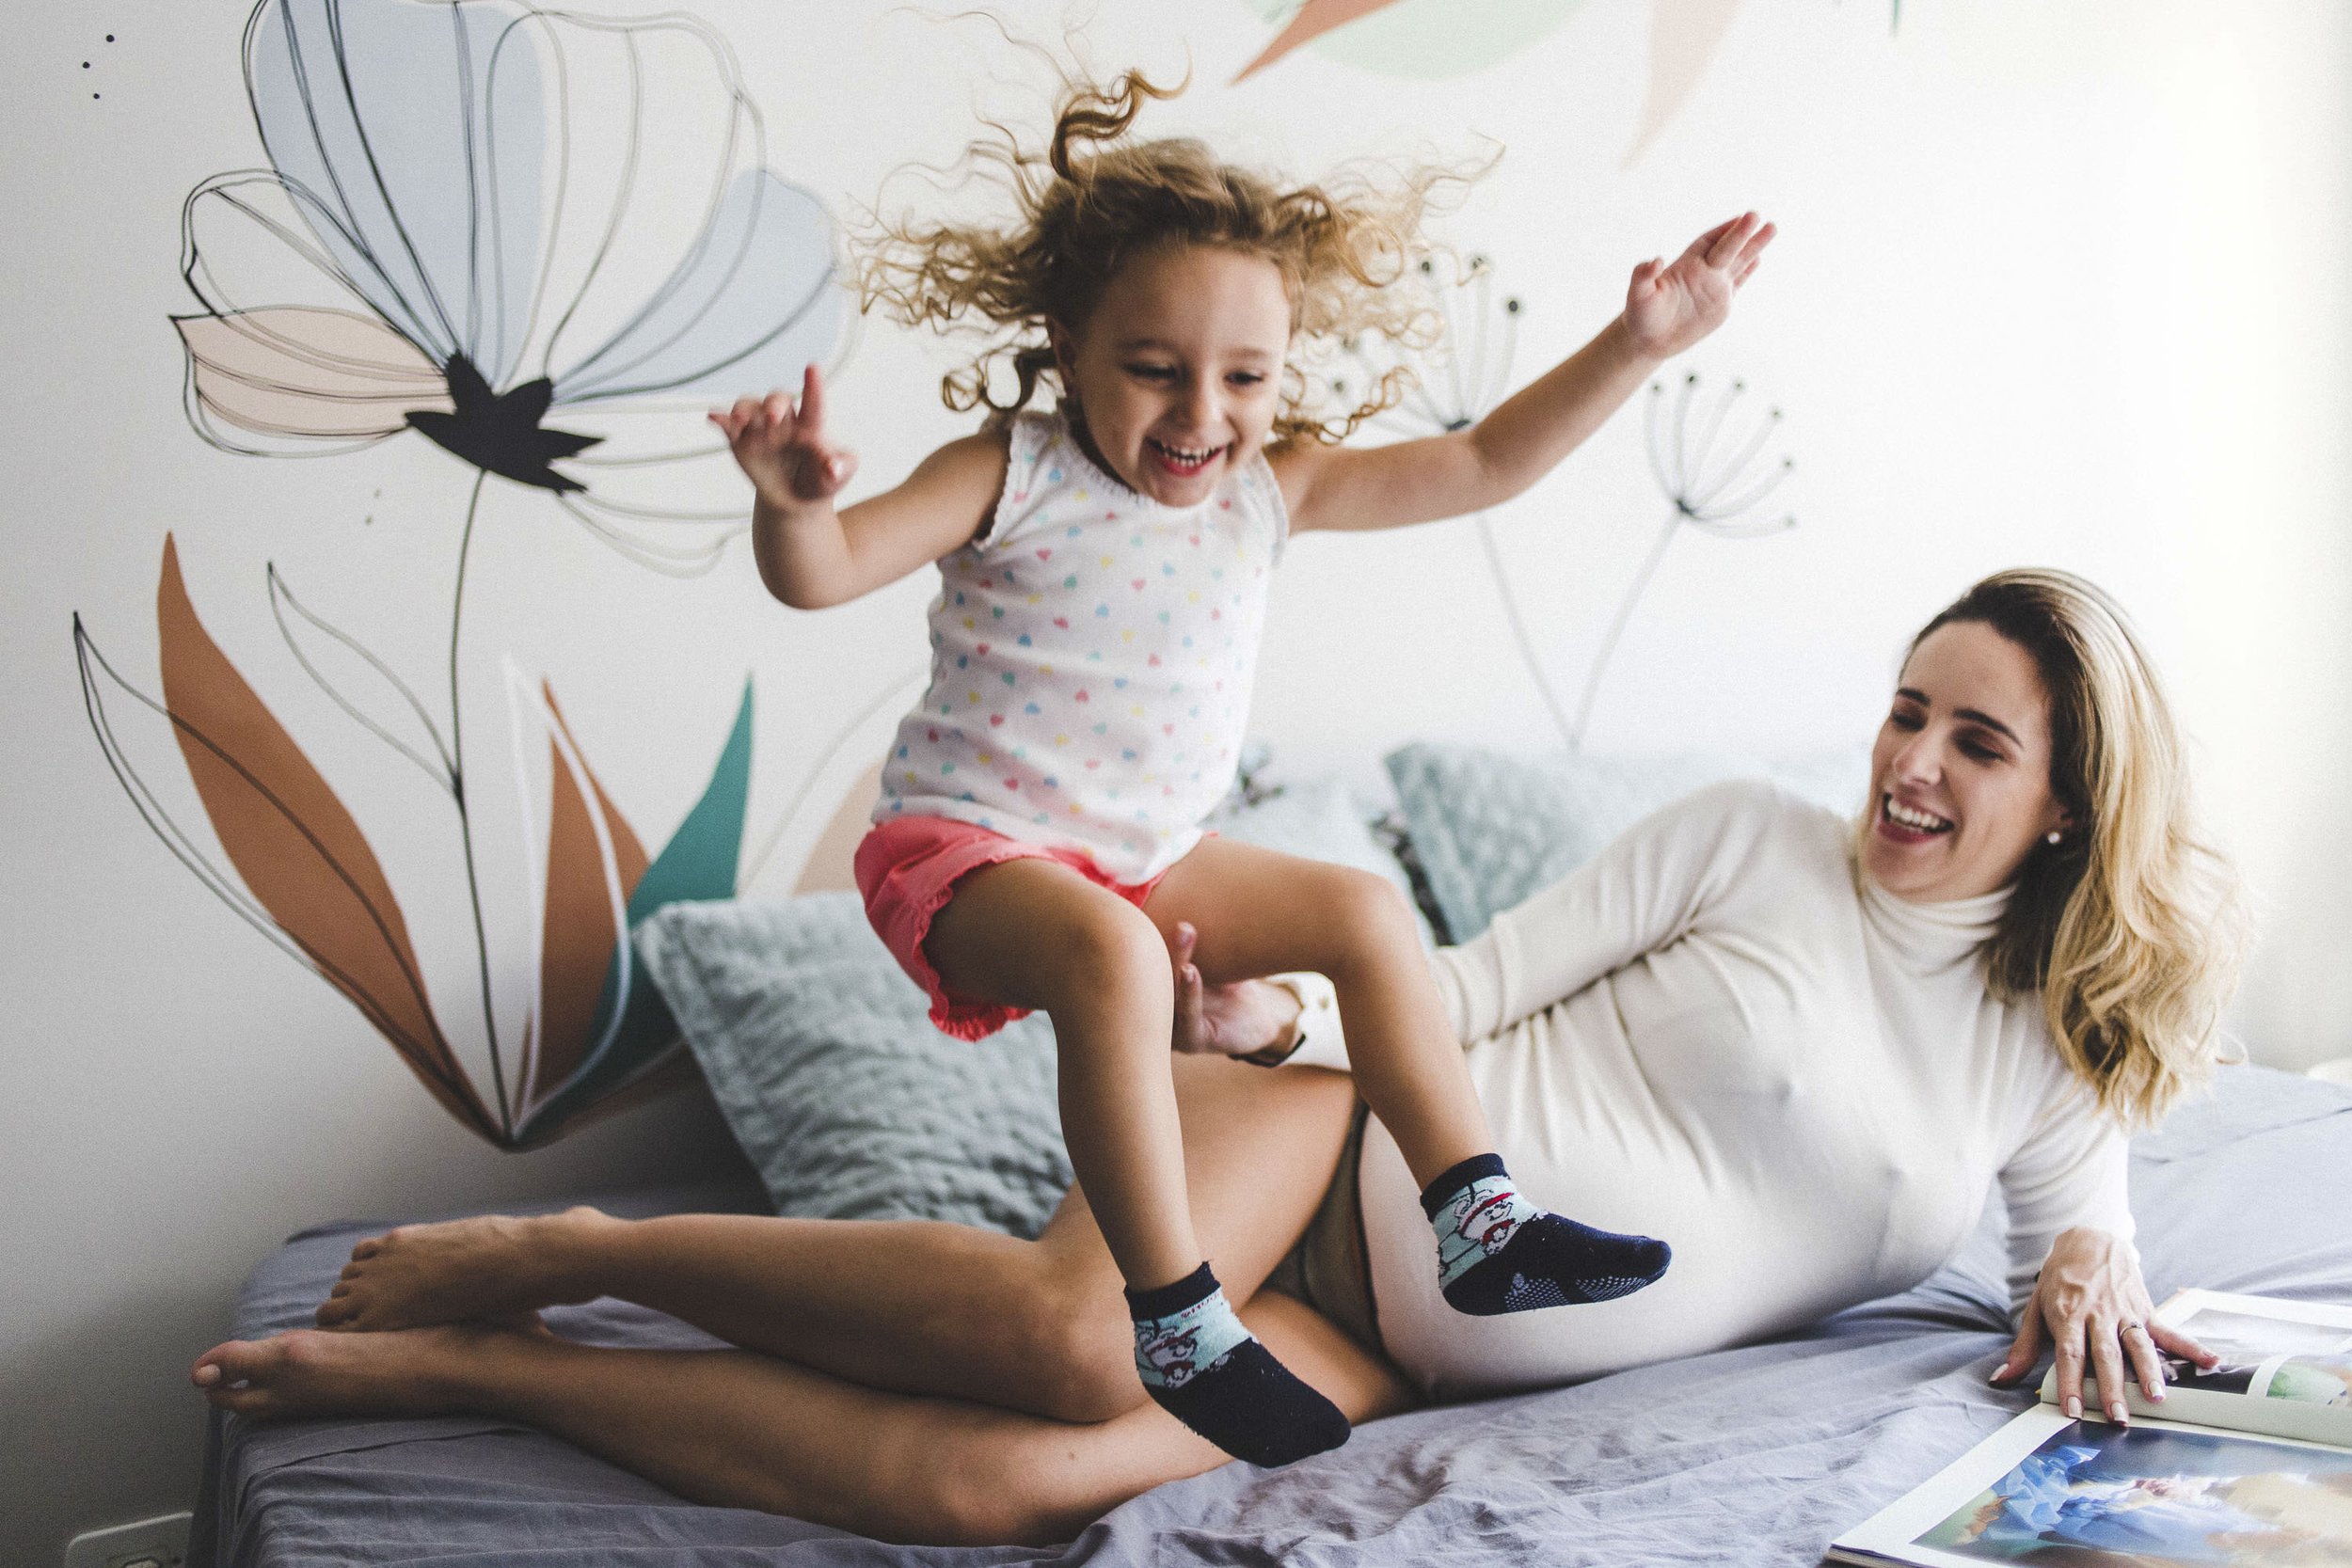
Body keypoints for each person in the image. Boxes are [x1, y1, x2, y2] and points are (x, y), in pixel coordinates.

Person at [189, 567, 2247, 1546]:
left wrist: (2086, 1271)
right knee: (1082, 1348)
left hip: (1407, 1349)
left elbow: (2081, 1239)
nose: (1905, 763)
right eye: (1904, 709)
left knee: (1000, 1488)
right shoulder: (1743, 840)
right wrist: (1273, 1025)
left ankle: (483, 1376)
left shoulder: (2051, 1051)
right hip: (1341, 1142)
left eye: (1972, 742)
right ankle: (555, 1250)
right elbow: (1470, 976)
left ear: (2062, 801)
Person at [697, 67, 1771, 1465]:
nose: (1203, 411)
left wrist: (1638, 346)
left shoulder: (1276, 490)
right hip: (967, 853)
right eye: (1155, 368)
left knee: (1367, 914)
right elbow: (824, 574)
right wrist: (792, 507)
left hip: (1143, 857)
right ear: (1069, 340)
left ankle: (1478, 1222)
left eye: (1246, 377)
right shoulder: (1007, 472)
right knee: (1118, 966)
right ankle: (1181, 1317)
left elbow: (1491, 459)